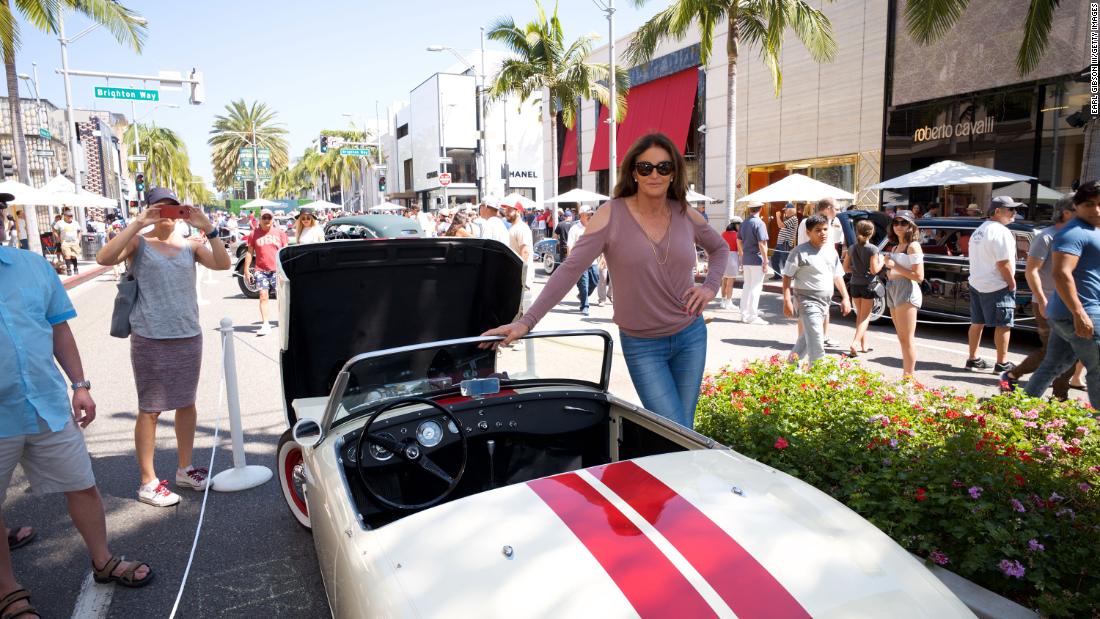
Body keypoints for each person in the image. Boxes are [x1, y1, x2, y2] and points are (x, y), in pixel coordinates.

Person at [483, 133, 727, 429]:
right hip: (643, 344)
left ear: (674, 172)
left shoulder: (685, 213)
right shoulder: (612, 214)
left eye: (663, 167)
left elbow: (720, 248)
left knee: (684, 428)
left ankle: (681, 474)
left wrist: (711, 286)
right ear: (634, 172)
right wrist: (526, 322)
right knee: (674, 428)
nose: (654, 174)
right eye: (645, 167)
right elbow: (571, 268)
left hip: (691, 335)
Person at [0, 244, 156, 614]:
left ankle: (102, 561)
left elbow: (58, 327)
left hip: (46, 403)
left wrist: (79, 385)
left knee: (82, 485)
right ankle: (7, 588)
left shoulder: (32, 265)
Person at [96, 188, 230, 507]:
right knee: (151, 408)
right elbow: (103, 258)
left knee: (187, 403)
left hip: (187, 335)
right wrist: (137, 224)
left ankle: (185, 468)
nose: (167, 215)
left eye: (173, 209)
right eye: (160, 209)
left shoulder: (191, 246)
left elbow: (223, 264)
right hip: (150, 337)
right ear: (149, 211)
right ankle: (148, 481)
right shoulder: (138, 243)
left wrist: (207, 226)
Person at [1024, 181, 1100, 409]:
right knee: (1097, 370)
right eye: (1089, 204)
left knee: (1052, 365)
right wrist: (1079, 313)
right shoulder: (1074, 233)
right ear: (1076, 206)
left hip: (1066, 312)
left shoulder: (1090, 230)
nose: (1096, 209)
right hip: (1081, 312)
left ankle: (1019, 412)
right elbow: (1060, 273)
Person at [1001, 197, 1076, 395]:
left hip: (1072, 304)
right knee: (1053, 352)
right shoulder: (1046, 237)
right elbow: (1031, 271)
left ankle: (1059, 397)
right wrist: (1041, 299)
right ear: (1067, 212)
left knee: (1072, 352)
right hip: (1048, 302)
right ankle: (1012, 376)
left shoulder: (1078, 237)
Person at [782, 214, 851, 365]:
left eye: (825, 229)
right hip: (806, 301)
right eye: (818, 230)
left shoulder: (831, 251)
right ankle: (818, 373)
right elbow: (787, 277)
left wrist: (845, 298)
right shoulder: (798, 252)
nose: (823, 233)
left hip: (825, 302)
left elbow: (837, 276)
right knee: (817, 338)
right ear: (808, 233)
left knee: (808, 337)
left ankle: (789, 368)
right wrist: (787, 300)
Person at [965, 196, 1021, 372]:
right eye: (1010, 209)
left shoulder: (979, 230)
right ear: (997, 211)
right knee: (1004, 324)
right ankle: (1002, 363)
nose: (1014, 213)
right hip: (996, 283)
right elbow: (1003, 262)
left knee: (977, 322)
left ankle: (973, 359)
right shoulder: (1001, 231)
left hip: (977, 282)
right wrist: (1011, 283)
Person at [796, 197, 844, 347]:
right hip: (809, 270)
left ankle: (823, 337)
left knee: (825, 306)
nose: (838, 211)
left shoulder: (831, 223)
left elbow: (836, 243)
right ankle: (802, 339)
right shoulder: (807, 222)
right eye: (836, 208)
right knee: (805, 309)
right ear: (828, 208)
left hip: (826, 270)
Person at [883, 211, 925, 377]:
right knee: (901, 337)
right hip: (893, 287)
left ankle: (908, 377)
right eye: (896, 223)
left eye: (903, 223)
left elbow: (919, 276)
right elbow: (893, 270)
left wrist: (893, 265)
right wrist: (888, 267)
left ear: (911, 226)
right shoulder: (894, 246)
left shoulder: (913, 246)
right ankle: (906, 375)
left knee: (907, 338)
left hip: (907, 288)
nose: (899, 226)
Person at [242, 208, 288, 336]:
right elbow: (250, 252)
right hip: (261, 270)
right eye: (264, 217)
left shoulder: (280, 233)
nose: (267, 220)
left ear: (273, 219)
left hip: (277, 270)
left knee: (282, 298)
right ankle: (266, 324)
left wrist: (286, 269)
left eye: (269, 217)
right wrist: (246, 269)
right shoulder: (253, 234)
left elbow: (285, 252)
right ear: (259, 219)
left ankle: (284, 321)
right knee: (263, 295)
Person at [844, 219, 884, 358]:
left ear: (857, 232)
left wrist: (856, 271)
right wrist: (882, 261)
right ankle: (855, 343)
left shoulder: (851, 248)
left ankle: (863, 345)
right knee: (865, 317)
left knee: (860, 316)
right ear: (871, 233)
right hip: (868, 285)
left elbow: (845, 268)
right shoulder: (873, 249)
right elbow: (874, 270)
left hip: (854, 284)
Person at [738, 202, 769, 324]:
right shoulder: (759, 223)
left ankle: (744, 313)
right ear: (760, 209)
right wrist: (766, 261)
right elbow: (762, 244)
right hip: (756, 258)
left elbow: (738, 240)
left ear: (750, 209)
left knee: (747, 286)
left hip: (747, 258)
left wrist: (742, 255)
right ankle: (752, 315)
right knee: (755, 288)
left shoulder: (744, 222)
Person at [567, 205, 600, 315]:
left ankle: (581, 295)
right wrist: (570, 263)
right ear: (581, 215)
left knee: (595, 280)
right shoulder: (574, 229)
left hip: (593, 261)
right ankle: (584, 306)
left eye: (591, 214)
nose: (590, 216)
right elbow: (570, 247)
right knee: (584, 285)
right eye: (588, 214)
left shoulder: (594, 227)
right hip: (580, 263)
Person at [503, 201, 534, 311]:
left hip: (521, 277)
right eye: (505, 210)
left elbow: (525, 252)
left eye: (509, 210)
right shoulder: (513, 227)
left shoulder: (521, 228)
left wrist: (519, 274)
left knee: (522, 311)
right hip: (516, 276)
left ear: (518, 211)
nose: (506, 212)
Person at [719, 218, 742, 310]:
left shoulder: (723, 234)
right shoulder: (737, 235)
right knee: (730, 282)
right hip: (733, 258)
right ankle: (729, 302)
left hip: (723, 257)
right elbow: (739, 249)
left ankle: (723, 301)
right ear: (736, 225)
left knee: (724, 280)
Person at [771, 204, 798, 279]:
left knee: (785, 260)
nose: (785, 211)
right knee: (774, 259)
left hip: (785, 242)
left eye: (786, 209)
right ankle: (777, 275)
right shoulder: (788, 218)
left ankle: (789, 276)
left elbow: (780, 225)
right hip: (780, 242)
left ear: (790, 210)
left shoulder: (794, 218)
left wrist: (777, 216)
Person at [53, 209, 81, 276]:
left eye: (71, 216)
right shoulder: (60, 223)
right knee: (67, 255)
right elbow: (54, 230)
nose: (70, 217)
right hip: (65, 242)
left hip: (74, 242)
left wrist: (78, 239)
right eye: (69, 216)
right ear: (64, 216)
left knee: (73, 256)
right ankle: (68, 269)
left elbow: (79, 231)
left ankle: (75, 268)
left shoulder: (75, 223)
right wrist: (59, 238)